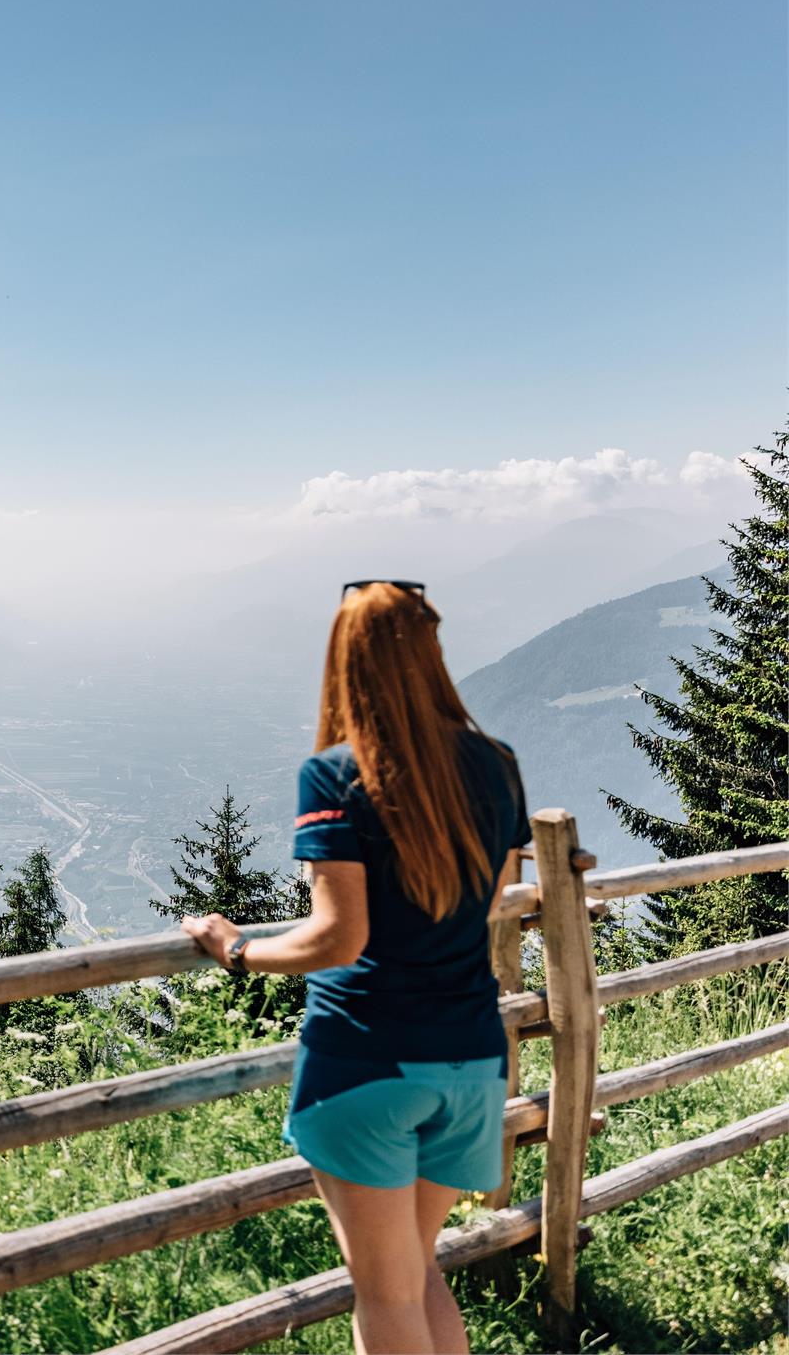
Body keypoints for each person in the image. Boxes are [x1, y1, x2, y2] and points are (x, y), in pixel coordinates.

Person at [182, 580, 527, 1355]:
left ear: (345, 660)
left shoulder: (337, 774)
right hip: (472, 1059)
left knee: (385, 1293)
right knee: (417, 1273)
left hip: (365, 1061)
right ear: (433, 655)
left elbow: (338, 938)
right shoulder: (497, 765)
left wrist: (235, 948)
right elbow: (497, 893)